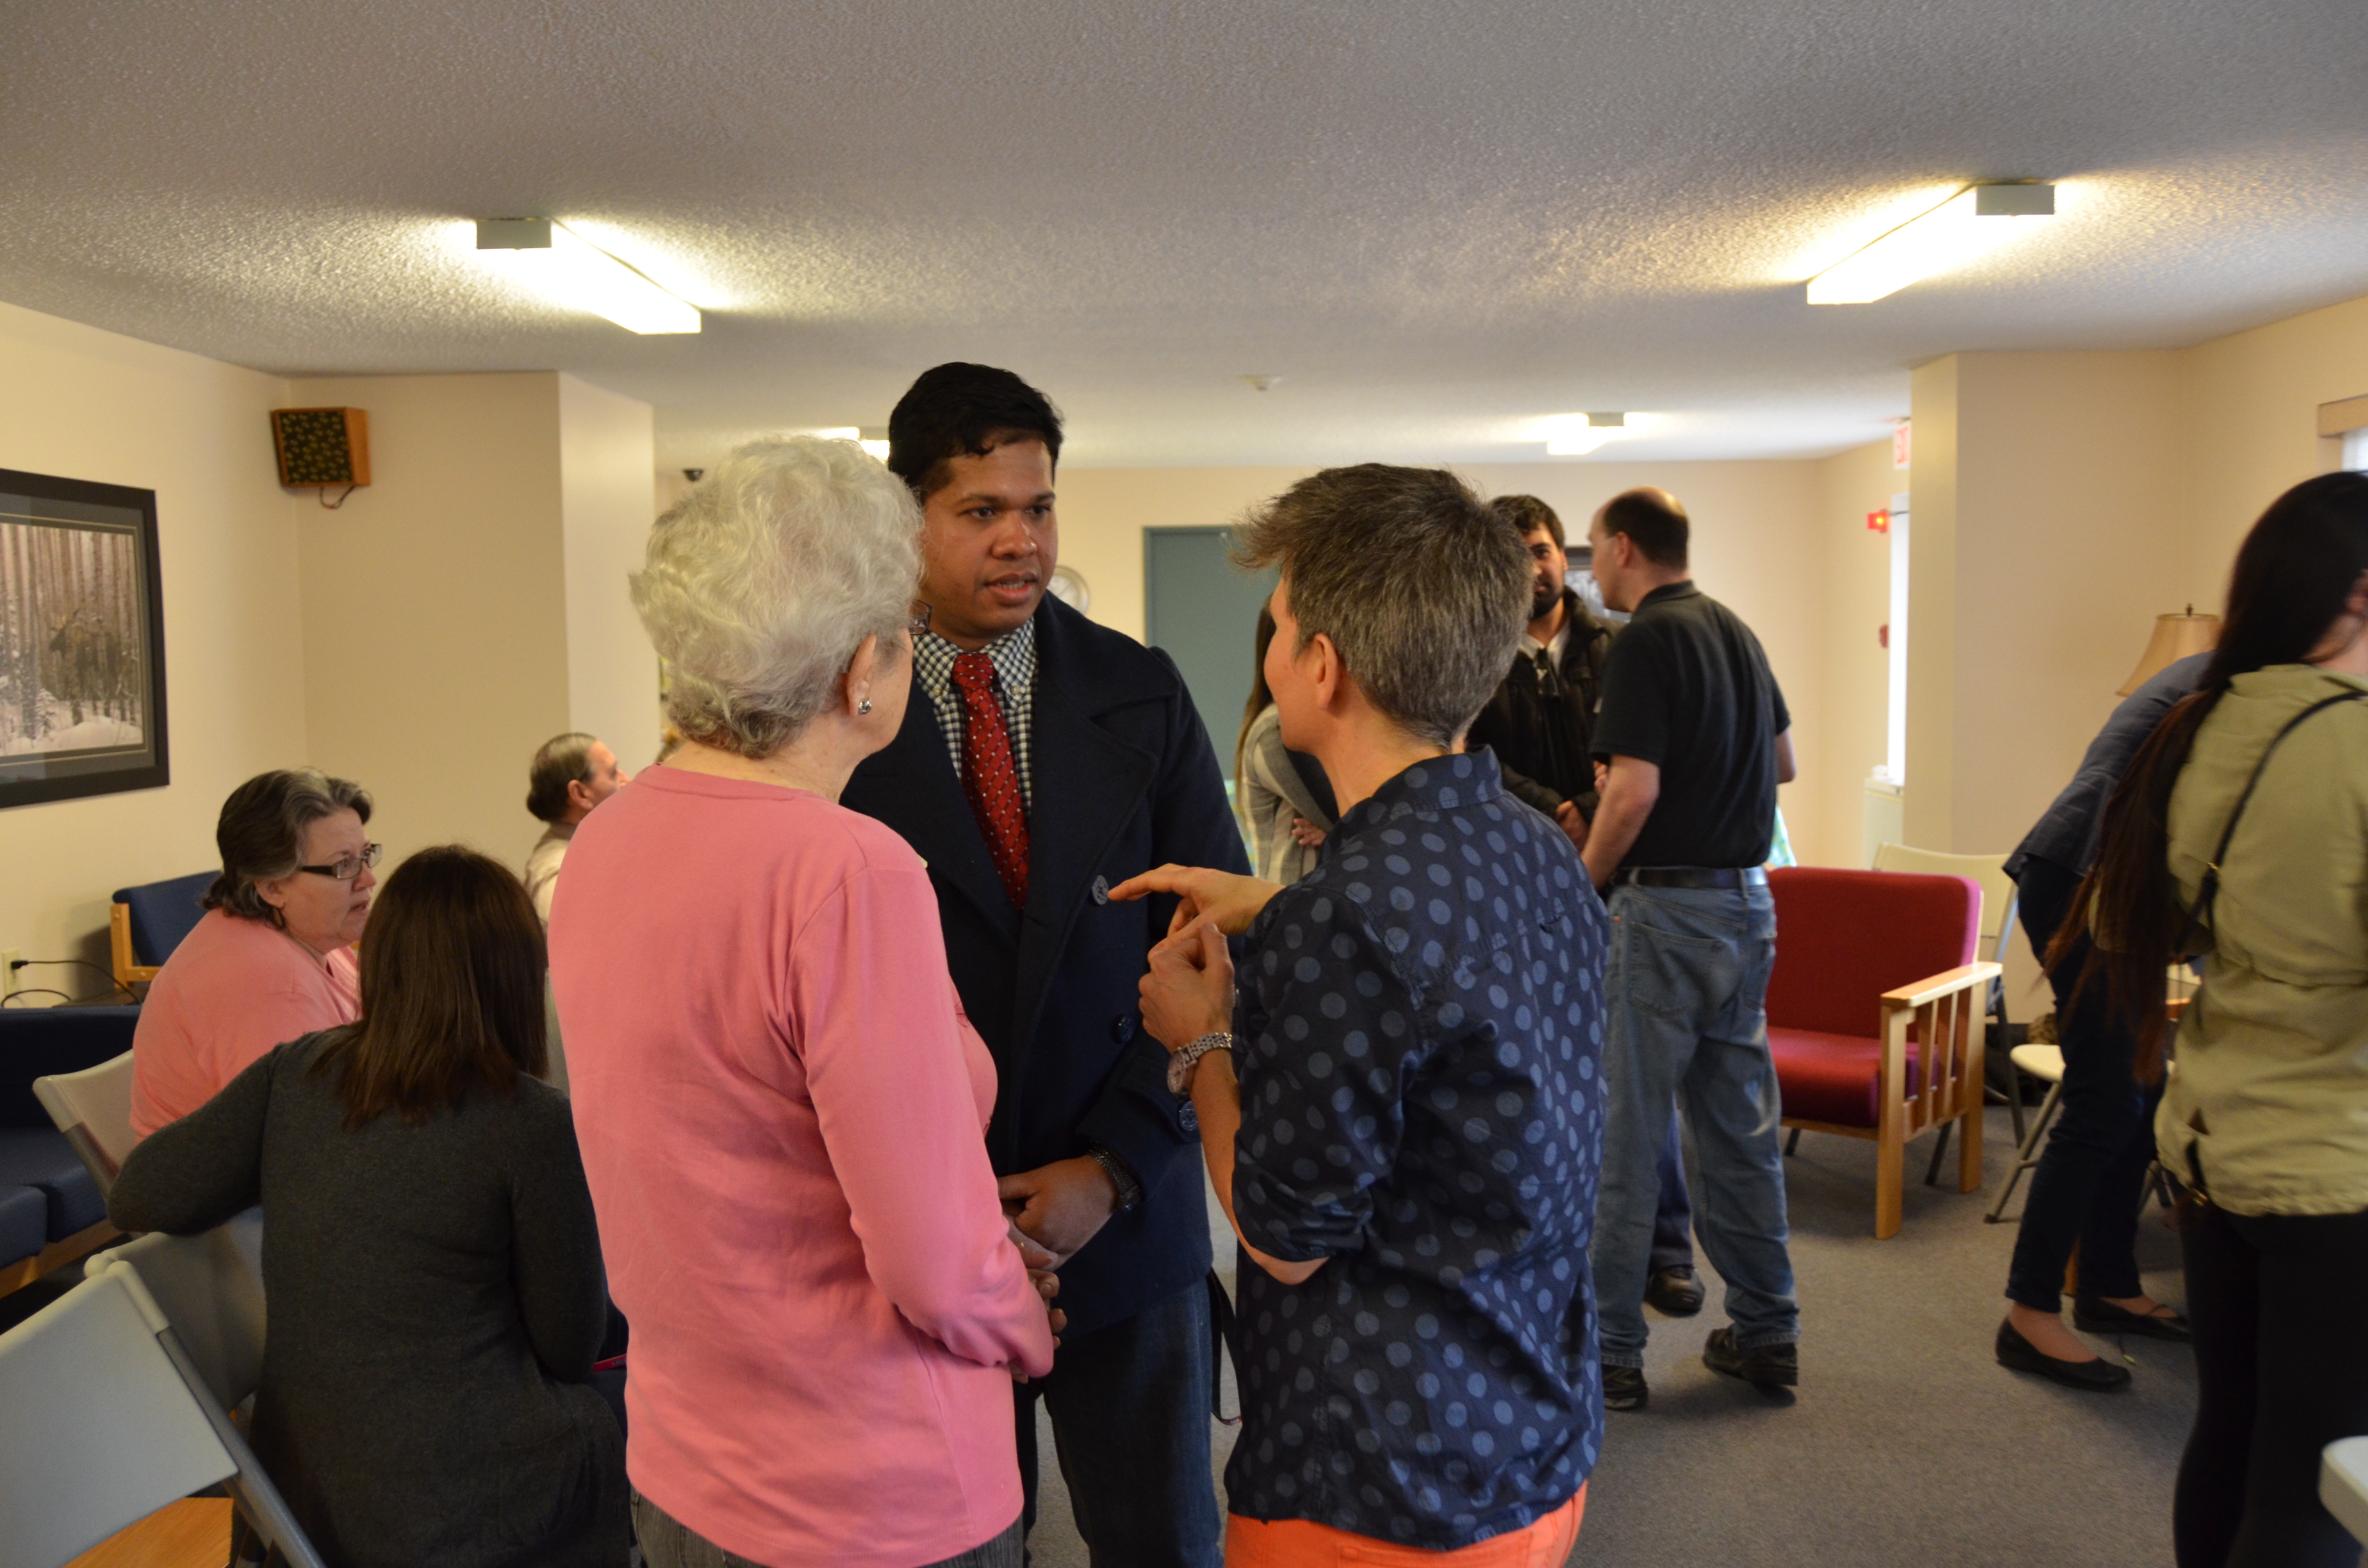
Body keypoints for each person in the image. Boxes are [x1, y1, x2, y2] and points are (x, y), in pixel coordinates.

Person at [552, 436, 1057, 1568]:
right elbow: (934, 1268)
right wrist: (1020, 1321)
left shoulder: (608, 839)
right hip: (867, 1488)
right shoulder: (847, 870)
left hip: (687, 1462)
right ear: (861, 667)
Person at [1121, 463, 1602, 1563]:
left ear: (1323, 666)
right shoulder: (1535, 846)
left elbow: (1284, 1238)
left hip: (1380, 1483)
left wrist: (1200, 1039)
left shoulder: (1349, 916)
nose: (1271, 648)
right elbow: (1449, 1009)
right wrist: (1281, 907)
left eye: (1280, 623)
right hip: (1529, 1433)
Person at [841, 363, 1246, 1565]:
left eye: (1039, 506)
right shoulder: (838, 704)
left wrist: (1113, 1169)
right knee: (962, 1543)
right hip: (927, 1227)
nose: (1021, 540)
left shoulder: (1140, 689)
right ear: (905, 516)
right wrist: (953, 1205)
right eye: (982, 511)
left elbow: (1215, 941)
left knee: (1163, 1537)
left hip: (1127, 1204)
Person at [108, 845, 628, 1568]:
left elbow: (140, 1192)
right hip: (459, 1499)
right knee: (656, 1401)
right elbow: (569, 1349)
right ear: (519, 974)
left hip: (312, 1488)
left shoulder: (298, 1074)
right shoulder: (530, 1120)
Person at [2068, 471, 2368, 1568]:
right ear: (2358, 594)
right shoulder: (2356, 742)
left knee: (2233, 1434)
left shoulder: (2199, 723)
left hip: (2211, 1142)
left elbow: (2143, 922)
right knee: (2313, 1482)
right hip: (2334, 1164)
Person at [1579, 486, 1802, 1412]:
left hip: (1665, 914)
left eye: (1595, 549)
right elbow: (1783, 764)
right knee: (1740, 1137)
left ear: (1625, 548)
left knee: (1626, 1139)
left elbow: (1632, 792)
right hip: (1748, 908)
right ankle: (1768, 1333)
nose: (1595, 567)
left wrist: (1583, 884)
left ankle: (1612, 1355)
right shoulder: (1736, 632)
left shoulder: (1644, 640)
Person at [1466, 493, 1703, 1321]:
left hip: (1617, 887)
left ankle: (1666, 1253)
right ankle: (1552, 1249)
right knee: (1528, 1077)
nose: (1531, 567)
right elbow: (1466, 753)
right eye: (1513, 554)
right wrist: (1553, 810)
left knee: (1632, 1080)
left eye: (1540, 549)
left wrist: (1589, 813)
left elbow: (1650, 757)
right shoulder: (1473, 651)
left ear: (1560, 554)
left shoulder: (1623, 643)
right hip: (1514, 885)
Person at [1993, 649, 2210, 1389]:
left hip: (2102, 882)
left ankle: (2108, 1285)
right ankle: (2029, 1315)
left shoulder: (2232, 672)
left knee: (2142, 1086)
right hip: (2084, 880)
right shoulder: (2236, 687)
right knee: (2106, 1099)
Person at [129, 768, 376, 1138]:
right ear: (272, 887)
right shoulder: (267, 988)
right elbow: (306, 1142)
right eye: (344, 865)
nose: (368, 879)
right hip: (238, 1176)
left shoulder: (317, 938)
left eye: (366, 855)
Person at [1235, 606, 1335, 885]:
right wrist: (1338, 832)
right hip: (1292, 897)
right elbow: (1362, 825)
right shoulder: (1276, 730)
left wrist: (1334, 834)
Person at [523, 731, 632, 922]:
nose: (626, 781)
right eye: (613, 773)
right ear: (580, 794)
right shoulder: (557, 871)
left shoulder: (594, 848)